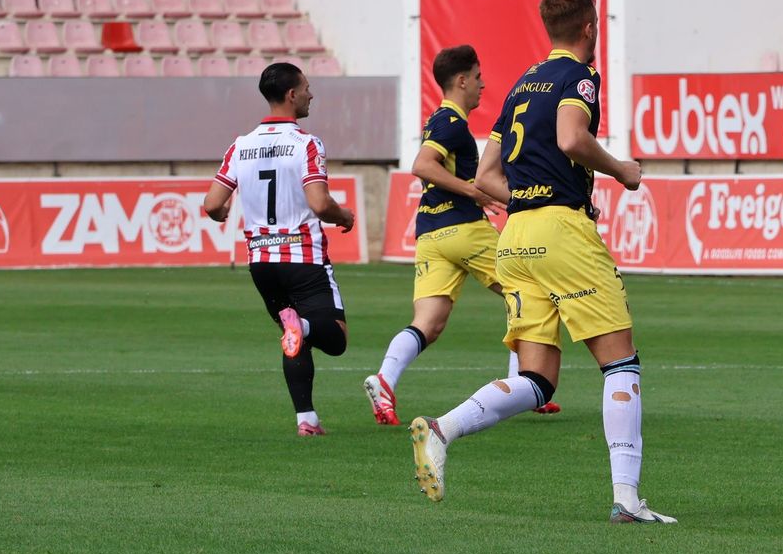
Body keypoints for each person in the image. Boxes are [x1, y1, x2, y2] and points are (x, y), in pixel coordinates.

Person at [408, 0, 675, 524]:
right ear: (589, 28)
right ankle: (627, 498)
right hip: (561, 232)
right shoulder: (581, 78)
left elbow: (486, 178)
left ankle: (443, 429)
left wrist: (529, 199)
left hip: (515, 237)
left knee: (538, 378)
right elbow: (573, 138)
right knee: (619, 361)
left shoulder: (518, 88)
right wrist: (621, 169)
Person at [365, 45, 561, 428]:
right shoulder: (450, 121)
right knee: (528, 288)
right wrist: (473, 192)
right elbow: (422, 165)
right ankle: (525, 384)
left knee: (429, 321)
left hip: (431, 234)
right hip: (462, 230)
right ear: (461, 80)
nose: (482, 85)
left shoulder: (439, 121)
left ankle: (385, 381)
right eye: (477, 77)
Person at [202, 63, 358, 437]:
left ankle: (306, 419)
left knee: (294, 337)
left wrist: (223, 211)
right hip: (301, 257)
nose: (311, 94)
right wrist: (345, 215)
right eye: (306, 88)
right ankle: (301, 325)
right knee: (334, 338)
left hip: (261, 263)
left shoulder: (240, 145)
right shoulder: (307, 143)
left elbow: (212, 205)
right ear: (291, 94)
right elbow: (320, 204)